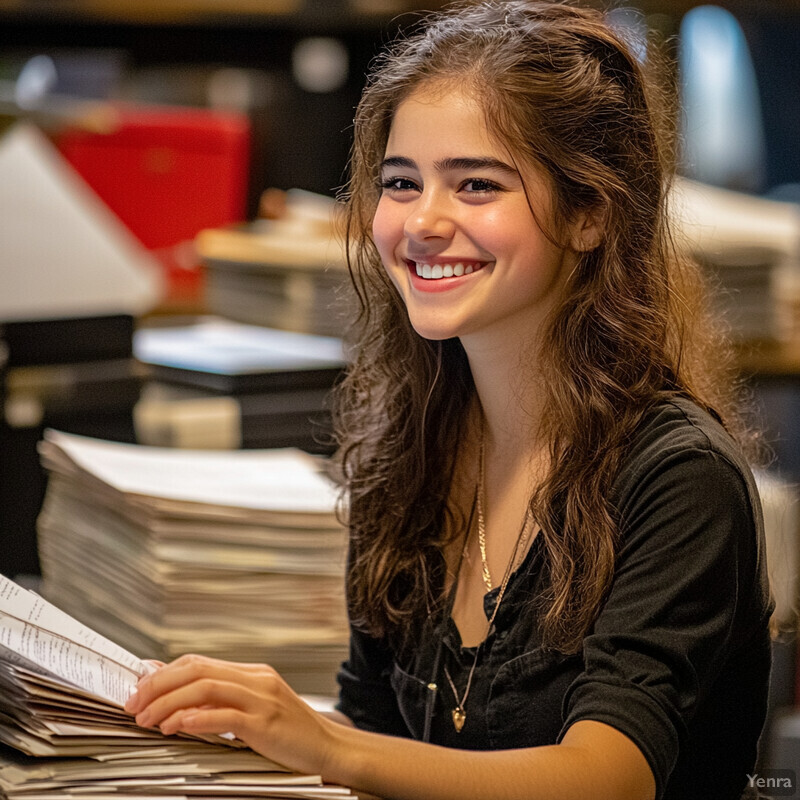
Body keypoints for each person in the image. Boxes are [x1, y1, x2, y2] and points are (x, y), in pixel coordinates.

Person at [124, 2, 773, 798]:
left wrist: (326, 745)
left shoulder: (679, 477)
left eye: (476, 184)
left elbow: (609, 778)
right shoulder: (412, 440)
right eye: (401, 183)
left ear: (591, 214)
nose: (423, 222)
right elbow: (376, 727)